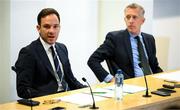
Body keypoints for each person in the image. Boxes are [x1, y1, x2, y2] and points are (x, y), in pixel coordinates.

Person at [14, 8, 85, 98]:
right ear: (38, 28)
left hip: (68, 97)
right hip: (48, 102)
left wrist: (88, 90)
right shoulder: (28, 52)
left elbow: (71, 80)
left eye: (55, 26)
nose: (52, 31)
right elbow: (23, 89)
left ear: (59, 27)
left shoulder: (62, 48)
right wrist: (51, 98)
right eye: (47, 26)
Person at [87, 3, 163, 83]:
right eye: (128, 17)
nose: (130, 21)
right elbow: (93, 60)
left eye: (134, 17)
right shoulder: (115, 38)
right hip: (130, 86)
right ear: (125, 19)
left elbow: (154, 66)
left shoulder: (149, 39)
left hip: (152, 82)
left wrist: (165, 78)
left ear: (142, 21)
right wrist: (111, 79)